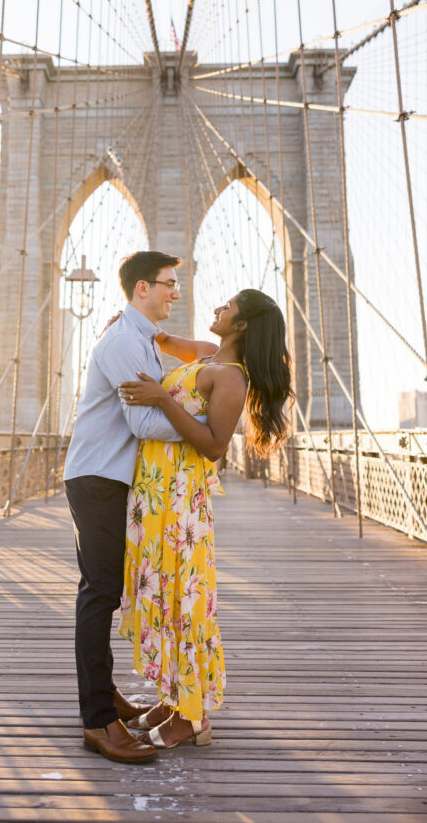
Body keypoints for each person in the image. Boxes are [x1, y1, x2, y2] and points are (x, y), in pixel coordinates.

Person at [117, 288, 293, 749]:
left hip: (180, 502)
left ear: (243, 324)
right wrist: (125, 324)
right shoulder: (209, 355)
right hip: (155, 495)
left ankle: (192, 716)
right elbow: (162, 339)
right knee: (162, 594)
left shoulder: (232, 377)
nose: (218, 307)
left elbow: (214, 445)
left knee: (183, 604)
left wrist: (161, 398)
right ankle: (173, 697)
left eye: (228, 306)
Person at [64, 250, 202, 764]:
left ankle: (108, 698)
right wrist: (206, 435)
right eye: (169, 284)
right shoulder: (125, 340)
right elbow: (144, 424)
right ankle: (98, 720)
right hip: (98, 476)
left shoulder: (138, 338)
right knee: (99, 593)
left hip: (108, 476)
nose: (176, 292)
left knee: (103, 589)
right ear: (141, 288)